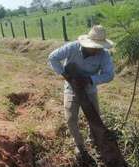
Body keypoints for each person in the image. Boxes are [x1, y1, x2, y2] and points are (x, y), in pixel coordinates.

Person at [48, 25, 115, 156]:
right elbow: (52, 57)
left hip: (89, 89)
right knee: (71, 118)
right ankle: (80, 145)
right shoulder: (72, 47)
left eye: (99, 47)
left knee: (94, 118)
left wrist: (90, 79)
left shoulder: (104, 55)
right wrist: (66, 75)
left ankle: (95, 141)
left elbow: (109, 75)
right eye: (94, 47)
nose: (97, 50)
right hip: (71, 88)